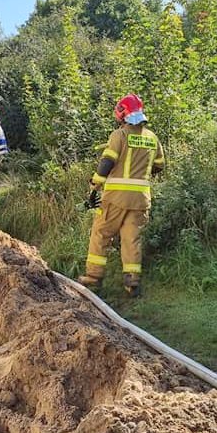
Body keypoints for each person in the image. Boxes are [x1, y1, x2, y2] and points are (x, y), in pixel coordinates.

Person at [78, 94, 165, 297]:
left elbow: (107, 163)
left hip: (116, 197)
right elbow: (159, 166)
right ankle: (132, 282)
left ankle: (93, 278)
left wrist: (95, 186)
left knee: (101, 233)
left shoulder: (120, 135)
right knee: (131, 238)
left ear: (123, 113)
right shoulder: (152, 138)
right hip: (141, 199)